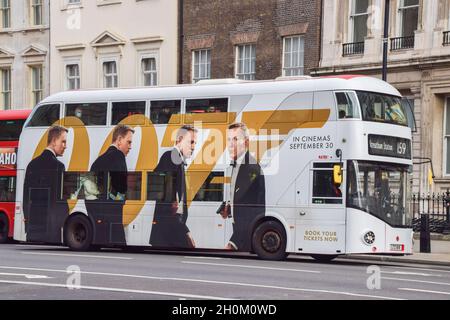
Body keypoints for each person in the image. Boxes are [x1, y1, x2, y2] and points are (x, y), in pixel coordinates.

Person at [149, 125, 197, 248]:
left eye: (195, 143)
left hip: (171, 228)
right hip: (168, 229)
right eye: (191, 142)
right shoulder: (171, 156)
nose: (193, 146)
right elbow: (171, 202)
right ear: (179, 140)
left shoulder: (177, 159)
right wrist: (186, 231)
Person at [220, 122, 265, 251]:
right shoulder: (236, 165)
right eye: (228, 139)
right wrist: (229, 207)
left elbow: (253, 211)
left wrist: (233, 243)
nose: (230, 144)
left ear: (246, 142)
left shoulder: (251, 168)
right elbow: (242, 198)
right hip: (240, 231)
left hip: (243, 235)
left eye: (235, 139)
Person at [86, 124, 134, 245]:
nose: (130, 147)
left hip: (96, 216)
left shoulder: (99, 160)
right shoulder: (118, 157)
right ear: (119, 140)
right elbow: (121, 188)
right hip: (113, 216)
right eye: (128, 142)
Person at [23, 125, 69, 243]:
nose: (65, 146)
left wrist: (28, 225)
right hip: (51, 228)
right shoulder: (59, 167)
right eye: (63, 142)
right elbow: (61, 200)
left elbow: (25, 198)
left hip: (34, 227)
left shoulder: (32, 164)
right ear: (54, 141)